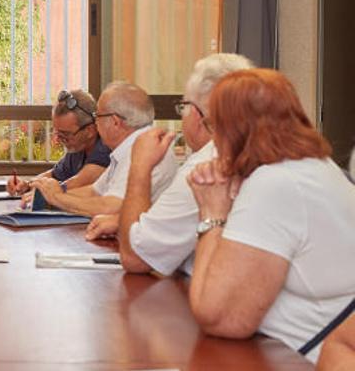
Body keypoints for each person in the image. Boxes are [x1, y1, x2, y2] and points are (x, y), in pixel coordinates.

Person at [185, 69, 355, 363]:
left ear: (233, 129)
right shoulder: (314, 166)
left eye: (214, 126)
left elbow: (220, 317)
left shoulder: (276, 183)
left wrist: (212, 212)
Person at [85, 54, 254, 277]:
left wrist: (140, 167)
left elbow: (135, 258)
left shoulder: (205, 168)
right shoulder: (256, 151)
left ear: (196, 112)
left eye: (183, 106)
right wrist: (122, 222)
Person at [26, 82, 178, 217]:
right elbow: (94, 191)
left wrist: (57, 198)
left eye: (97, 116)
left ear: (115, 122)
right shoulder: (124, 150)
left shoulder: (145, 149)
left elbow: (110, 207)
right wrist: (47, 198)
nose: (95, 123)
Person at [6, 89, 110, 196]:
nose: (59, 139)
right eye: (57, 132)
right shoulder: (77, 150)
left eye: (65, 134)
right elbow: (54, 175)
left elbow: (79, 182)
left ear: (90, 130)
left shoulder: (106, 146)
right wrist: (27, 185)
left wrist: (43, 192)